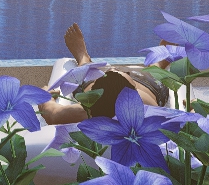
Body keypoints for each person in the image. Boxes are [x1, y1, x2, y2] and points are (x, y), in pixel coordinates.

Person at [35, 22, 169, 125]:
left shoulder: (85, 112)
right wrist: (191, 105)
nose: (114, 69)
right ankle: (158, 63)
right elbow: (185, 123)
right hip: (149, 87)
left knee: (87, 75)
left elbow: (51, 113)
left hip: (107, 88)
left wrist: (45, 95)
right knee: (155, 71)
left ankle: (84, 59)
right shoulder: (151, 112)